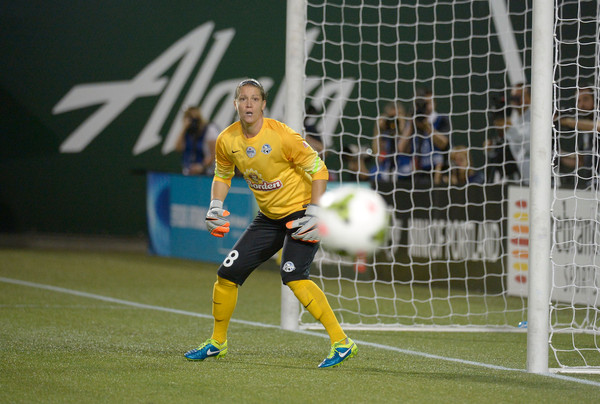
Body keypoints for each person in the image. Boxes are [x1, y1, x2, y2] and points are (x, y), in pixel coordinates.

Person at [183, 78, 357, 368]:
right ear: (235, 104)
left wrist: (315, 212)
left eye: (254, 98)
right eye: (243, 98)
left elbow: (320, 169)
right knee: (227, 274)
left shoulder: (282, 136)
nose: (248, 103)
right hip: (269, 217)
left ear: (263, 104)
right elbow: (223, 175)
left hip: (301, 212)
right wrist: (215, 206)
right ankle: (217, 342)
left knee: (293, 275)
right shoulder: (227, 140)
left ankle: (342, 343)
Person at [399, 87, 450, 186]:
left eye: (428, 103)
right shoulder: (413, 122)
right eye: (423, 103)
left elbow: (444, 143)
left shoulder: (441, 119)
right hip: (417, 174)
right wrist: (411, 123)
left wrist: (427, 127)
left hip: (437, 172)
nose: (426, 107)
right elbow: (402, 148)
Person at [371, 101, 412, 182]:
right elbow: (377, 153)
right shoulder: (386, 132)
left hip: (405, 166)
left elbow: (403, 148)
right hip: (388, 168)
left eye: (396, 117)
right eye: (391, 117)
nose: (394, 121)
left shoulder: (409, 128)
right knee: (374, 172)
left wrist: (401, 126)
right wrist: (377, 130)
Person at [175, 106, 220, 175]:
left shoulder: (209, 130)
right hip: (189, 172)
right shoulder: (188, 131)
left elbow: (215, 154)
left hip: (208, 173)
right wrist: (184, 129)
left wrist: (201, 166)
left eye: (192, 119)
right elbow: (178, 147)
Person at [504, 83, 531, 184]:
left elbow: (530, 146)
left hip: (537, 177)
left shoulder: (537, 115)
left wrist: (509, 128)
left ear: (529, 97)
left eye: (518, 97)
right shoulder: (512, 116)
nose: (515, 100)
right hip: (517, 177)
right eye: (513, 97)